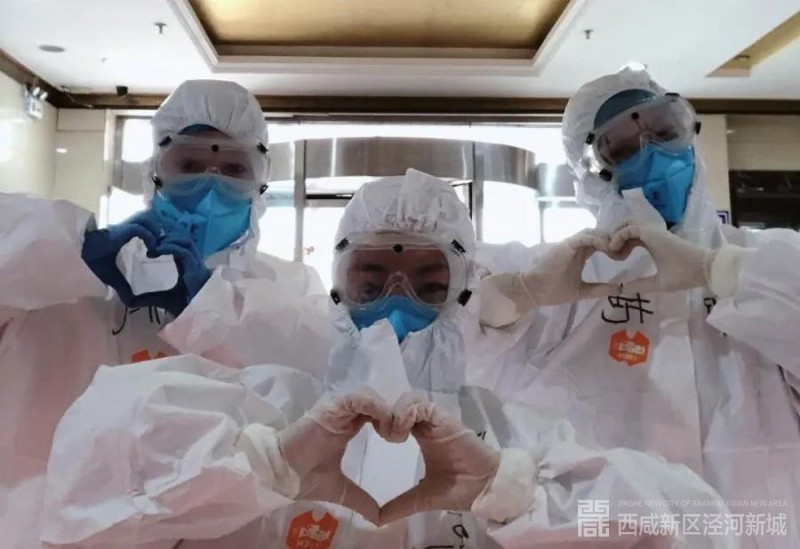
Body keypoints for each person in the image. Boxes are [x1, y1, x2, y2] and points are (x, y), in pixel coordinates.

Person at [42, 169, 736, 548]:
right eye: (370, 282)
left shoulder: (516, 436)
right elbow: (83, 480)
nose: (394, 306)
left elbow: (703, 528)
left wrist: (517, 493)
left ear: (464, 294)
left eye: (428, 284)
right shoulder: (265, 407)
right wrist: (260, 463)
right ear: (335, 290)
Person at [476, 68, 800, 547]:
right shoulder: (564, 282)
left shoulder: (766, 262)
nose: (653, 154)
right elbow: (449, 336)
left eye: (665, 132)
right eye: (622, 149)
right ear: (594, 174)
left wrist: (721, 271)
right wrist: (520, 292)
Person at [0, 80, 330, 548]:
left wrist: (214, 308)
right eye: (189, 166)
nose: (210, 188)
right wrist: (68, 250)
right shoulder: (63, 276)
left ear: (260, 182)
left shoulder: (287, 288)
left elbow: (319, 381)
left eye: (233, 169)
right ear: (155, 171)